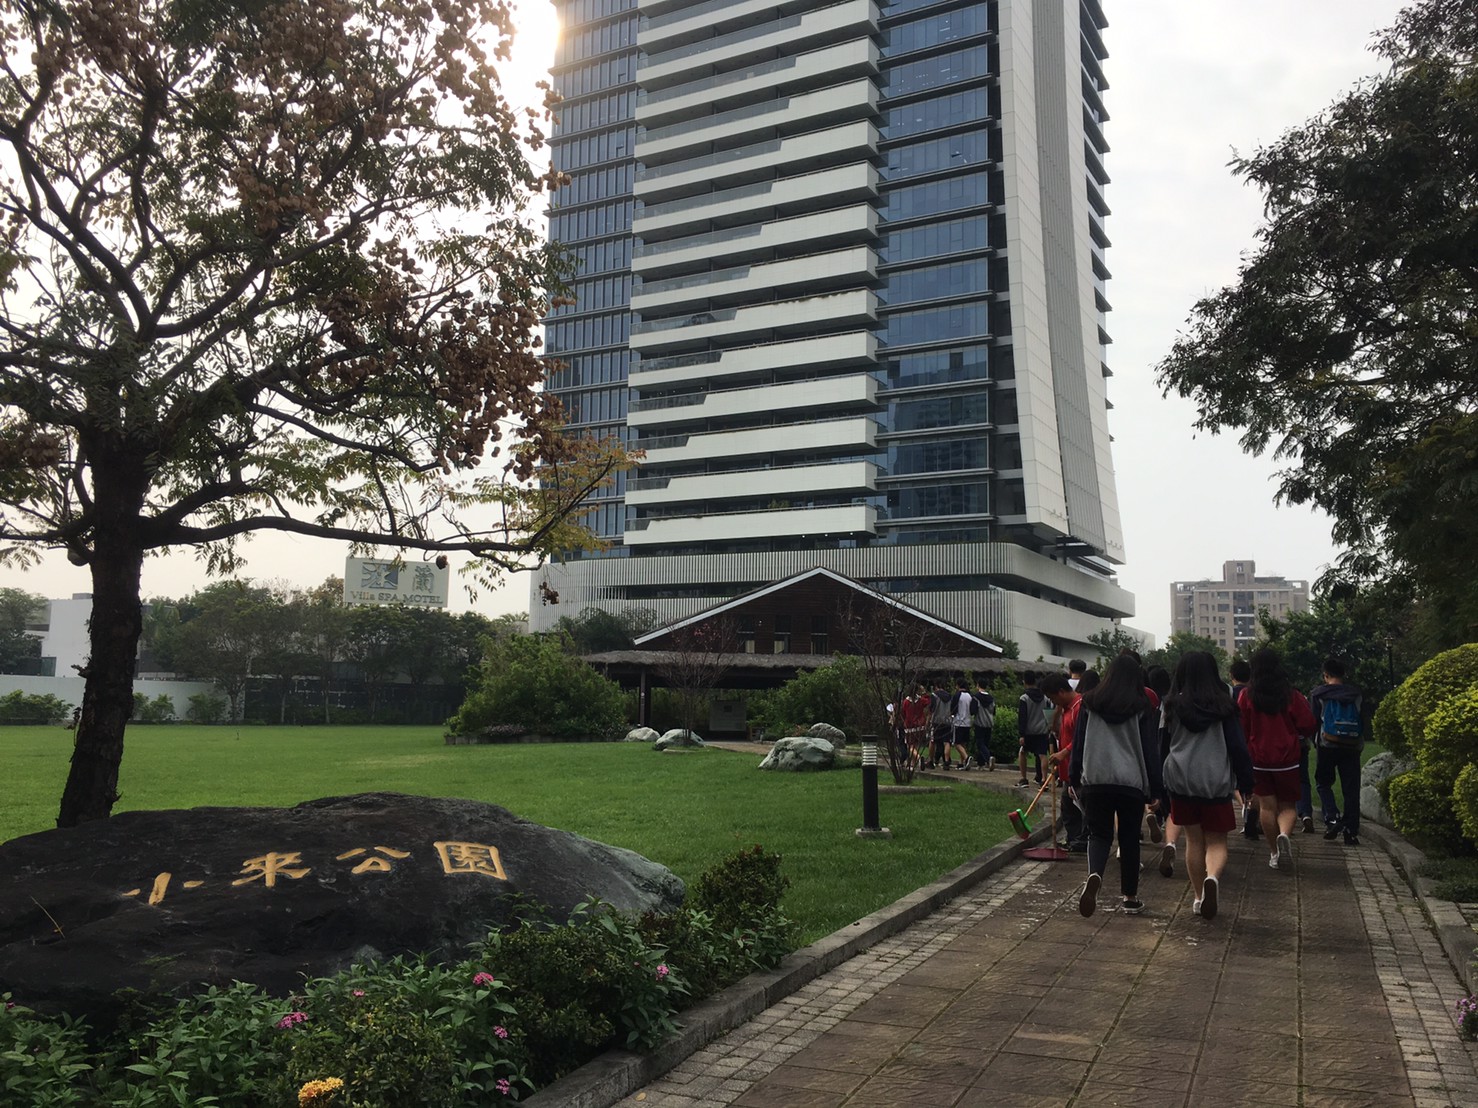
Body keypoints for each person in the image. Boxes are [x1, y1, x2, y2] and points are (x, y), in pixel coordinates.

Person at [1162, 651, 1254, 920]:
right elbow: (1237, 747)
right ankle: (1212, 877)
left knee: (1193, 840)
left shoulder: (1171, 706)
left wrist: (1159, 783)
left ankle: (1198, 896)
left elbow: (1161, 746)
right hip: (1215, 782)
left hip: (1181, 780)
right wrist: (1246, 782)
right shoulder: (1225, 706)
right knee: (1216, 841)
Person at [1069, 654, 1162, 916]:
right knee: (1129, 838)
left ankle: (1095, 876)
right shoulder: (1142, 706)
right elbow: (1150, 750)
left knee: (1098, 835)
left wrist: (1074, 778)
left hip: (1096, 780)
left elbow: (1079, 743)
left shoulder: (1089, 703)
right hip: (1131, 783)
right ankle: (1130, 898)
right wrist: (1156, 789)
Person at [1241, 647, 1316, 871]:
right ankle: (1284, 834)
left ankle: (1274, 852)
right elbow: (1308, 723)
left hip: (1258, 758)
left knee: (1266, 807)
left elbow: (1242, 727)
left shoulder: (1247, 696)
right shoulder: (1290, 695)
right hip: (1287, 759)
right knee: (1288, 806)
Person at [1309, 657, 1365, 846]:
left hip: (1327, 744)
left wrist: (1314, 740)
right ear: (1343, 674)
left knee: (1323, 783)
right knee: (1351, 789)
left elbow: (1313, 721)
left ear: (1326, 675)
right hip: (1352, 745)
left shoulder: (1319, 694)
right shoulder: (1356, 694)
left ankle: (1332, 818)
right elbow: (1362, 718)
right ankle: (1351, 831)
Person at [1043, 673, 1085, 851]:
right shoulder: (1066, 708)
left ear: (1061, 692)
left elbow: (1082, 738)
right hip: (1067, 769)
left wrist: (1064, 752)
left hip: (1079, 770)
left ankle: (1082, 841)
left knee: (1080, 807)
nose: (1054, 703)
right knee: (1068, 807)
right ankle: (1074, 839)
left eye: (1053, 698)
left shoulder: (1079, 707)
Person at [1228, 658, 1259, 841]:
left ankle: (1245, 808)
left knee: (1236, 783)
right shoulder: (1255, 693)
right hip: (1257, 743)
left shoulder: (1230, 694)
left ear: (1231, 675)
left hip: (1238, 741)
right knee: (1256, 783)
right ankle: (1253, 811)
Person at [1017, 670, 1050, 788]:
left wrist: (1021, 734)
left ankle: (1024, 778)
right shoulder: (1045, 698)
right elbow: (1048, 714)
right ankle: (1044, 780)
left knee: (1022, 752)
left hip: (1028, 732)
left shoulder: (1024, 698)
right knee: (1043, 755)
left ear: (1024, 682)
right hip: (1042, 731)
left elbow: (1022, 717)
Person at [901, 683, 930, 771]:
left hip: (910, 726)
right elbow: (928, 701)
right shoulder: (921, 700)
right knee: (916, 745)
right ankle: (913, 764)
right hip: (920, 725)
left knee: (910, 746)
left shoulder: (906, 702)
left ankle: (918, 758)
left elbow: (903, 713)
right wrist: (924, 692)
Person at [948, 677, 974, 770]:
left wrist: (951, 715)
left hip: (959, 722)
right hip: (967, 722)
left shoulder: (957, 695)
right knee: (963, 743)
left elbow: (953, 709)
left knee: (957, 743)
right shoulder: (970, 696)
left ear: (957, 685)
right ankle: (961, 762)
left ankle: (966, 758)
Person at [972, 677, 996, 771]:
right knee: (985, 743)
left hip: (979, 722)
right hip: (989, 723)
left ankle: (988, 758)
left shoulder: (976, 697)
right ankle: (980, 764)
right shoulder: (991, 698)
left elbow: (973, 711)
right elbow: (994, 711)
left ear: (978, 685)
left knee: (980, 743)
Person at [930, 677, 953, 769]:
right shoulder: (950, 696)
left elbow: (931, 709)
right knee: (947, 742)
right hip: (947, 721)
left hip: (936, 721)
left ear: (936, 686)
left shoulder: (934, 695)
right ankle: (946, 761)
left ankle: (931, 760)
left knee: (933, 741)